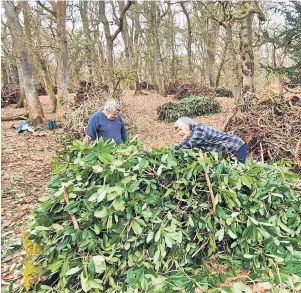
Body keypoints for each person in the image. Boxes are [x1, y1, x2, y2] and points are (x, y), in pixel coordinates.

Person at [174, 117, 247, 163]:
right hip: (231, 151)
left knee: (237, 172)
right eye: (178, 131)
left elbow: (189, 143)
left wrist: (174, 149)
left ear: (187, 126)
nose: (179, 133)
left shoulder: (199, 130)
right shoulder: (195, 133)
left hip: (236, 147)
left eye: (180, 129)